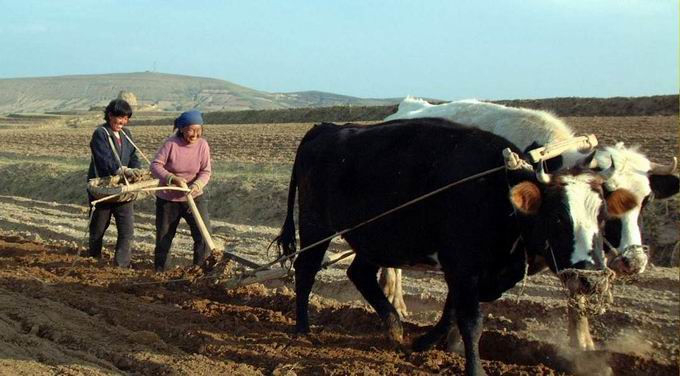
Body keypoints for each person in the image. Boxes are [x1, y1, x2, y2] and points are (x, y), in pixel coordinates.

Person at [151, 110, 212, 272]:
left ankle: (200, 271)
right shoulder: (171, 144)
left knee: (203, 235)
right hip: (169, 199)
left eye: (198, 130)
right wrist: (172, 178)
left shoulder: (203, 145)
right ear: (182, 129)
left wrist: (197, 185)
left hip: (194, 196)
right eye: (191, 130)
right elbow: (155, 165)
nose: (195, 134)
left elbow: (205, 171)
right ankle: (160, 272)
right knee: (164, 237)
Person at [87, 99, 141, 267]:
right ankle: (93, 257)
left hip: (123, 190)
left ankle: (121, 265)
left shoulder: (127, 134)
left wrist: (136, 171)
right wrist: (121, 170)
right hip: (104, 189)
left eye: (126, 119)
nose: (123, 122)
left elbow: (133, 155)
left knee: (127, 229)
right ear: (110, 115)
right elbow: (103, 159)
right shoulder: (101, 133)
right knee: (98, 228)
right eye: (120, 118)